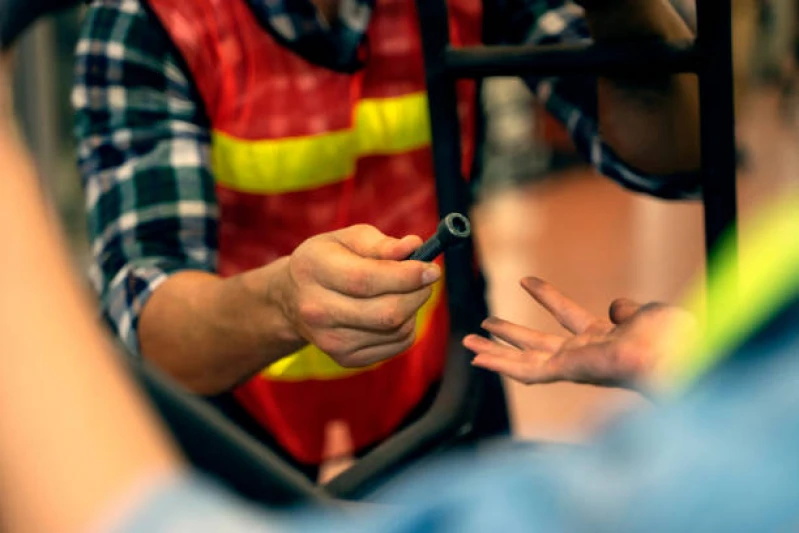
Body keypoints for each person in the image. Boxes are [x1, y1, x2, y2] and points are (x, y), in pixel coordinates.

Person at [72, 0, 701, 478]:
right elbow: (152, 321)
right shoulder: (151, 18)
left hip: (439, 388)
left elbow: (678, 152)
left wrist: (624, 9)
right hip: (236, 409)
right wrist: (284, 303)